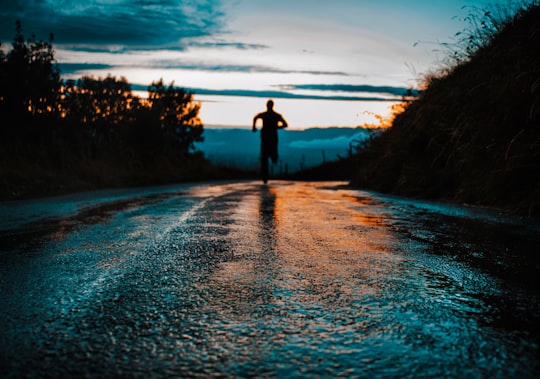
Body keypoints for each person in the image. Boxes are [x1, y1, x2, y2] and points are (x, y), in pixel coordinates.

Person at [252, 99, 288, 183]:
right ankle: (265, 175)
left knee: (265, 156)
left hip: (266, 137)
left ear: (267, 105)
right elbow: (285, 124)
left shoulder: (265, 115)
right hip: (271, 137)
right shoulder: (276, 115)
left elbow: (255, 117)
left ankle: (265, 174)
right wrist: (276, 127)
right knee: (267, 156)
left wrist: (254, 127)